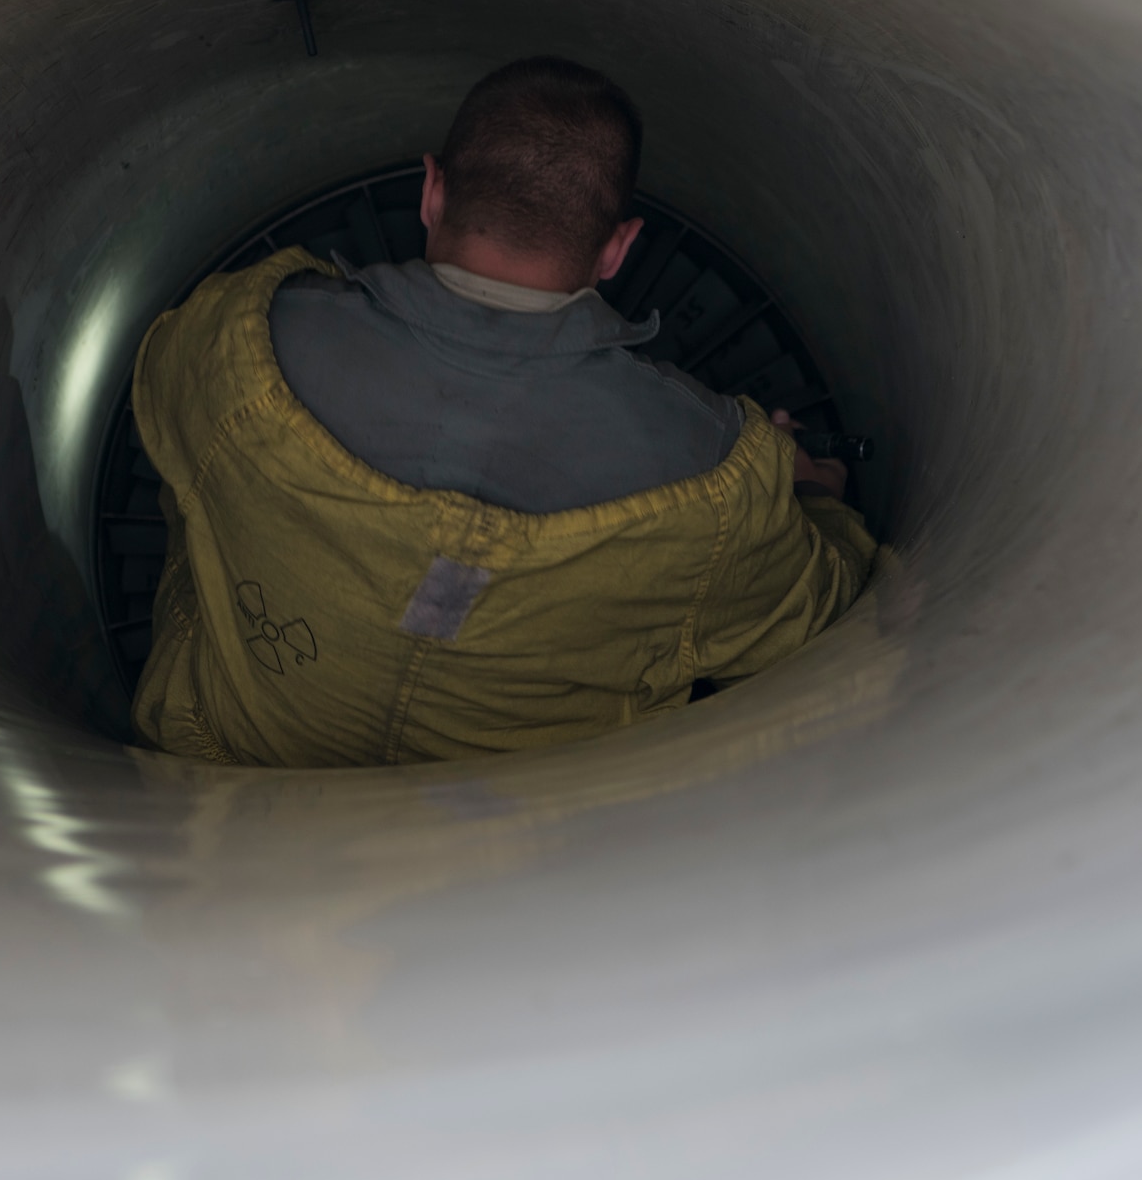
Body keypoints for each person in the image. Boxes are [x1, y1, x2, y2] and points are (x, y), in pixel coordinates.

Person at [129, 57, 876, 767]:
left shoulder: (237, 333)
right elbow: (809, 621)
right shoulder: (715, 478)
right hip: (511, 857)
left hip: (222, 766)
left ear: (430, 192)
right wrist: (813, 496)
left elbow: (160, 408)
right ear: (619, 249)